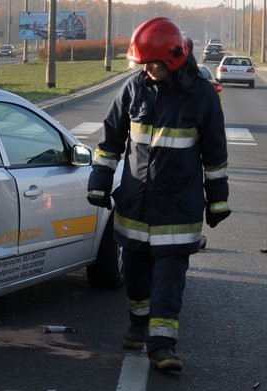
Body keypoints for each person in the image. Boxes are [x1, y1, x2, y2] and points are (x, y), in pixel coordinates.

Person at [86, 17, 230, 372]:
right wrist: (99, 180)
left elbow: (215, 153)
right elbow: (110, 140)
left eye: (153, 62)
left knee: (169, 278)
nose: (148, 69)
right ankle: (138, 324)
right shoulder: (134, 88)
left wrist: (218, 199)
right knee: (134, 273)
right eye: (143, 63)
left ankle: (162, 346)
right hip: (135, 204)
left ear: (174, 57)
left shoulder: (201, 95)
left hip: (179, 208)